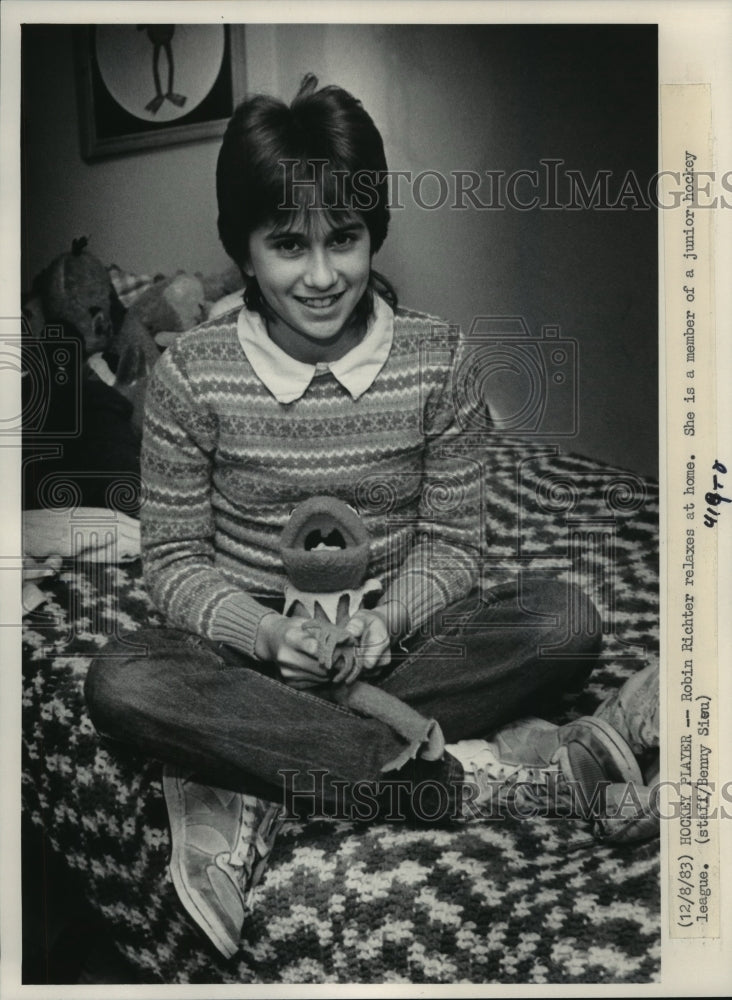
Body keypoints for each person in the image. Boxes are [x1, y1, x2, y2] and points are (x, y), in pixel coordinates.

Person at [84, 75, 655, 959]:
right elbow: (172, 560)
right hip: (246, 666)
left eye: (343, 239)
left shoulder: (439, 358)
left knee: (562, 620)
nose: (321, 276)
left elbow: (453, 544)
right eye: (287, 245)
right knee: (121, 679)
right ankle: (458, 776)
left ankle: (247, 779)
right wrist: (269, 637)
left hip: (397, 651)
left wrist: (386, 624)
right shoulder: (190, 375)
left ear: (372, 231)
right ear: (243, 248)